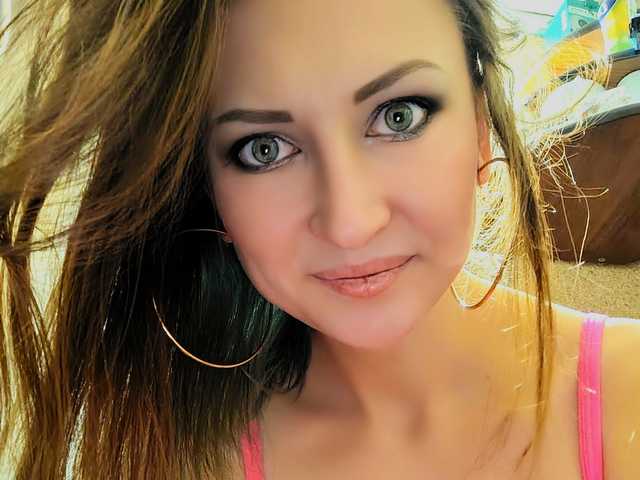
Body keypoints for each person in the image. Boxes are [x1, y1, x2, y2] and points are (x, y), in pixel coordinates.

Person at [0, 0, 638, 479]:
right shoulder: (185, 454)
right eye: (264, 149)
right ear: (209, 192)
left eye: (399, 116)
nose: (350, 222)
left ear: (479, 123)